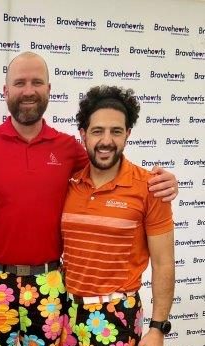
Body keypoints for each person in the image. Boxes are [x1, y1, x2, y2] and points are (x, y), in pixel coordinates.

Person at [0, 52, 177, 345]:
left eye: (37, 82)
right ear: (5, 90)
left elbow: (107, 163)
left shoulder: (68, 150)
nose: (28, 90)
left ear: (49, 90)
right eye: (19, 82)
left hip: (51, 285)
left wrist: (166, 182)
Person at [62, 85, 174, 346]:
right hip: (66, 313)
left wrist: (158, 328)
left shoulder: (151, 187)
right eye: (97, 131)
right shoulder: (70, 184)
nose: (106, 140)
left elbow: (164, 263)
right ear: (83, 135)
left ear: (128, 135)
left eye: (116, 131)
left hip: (117, 317)